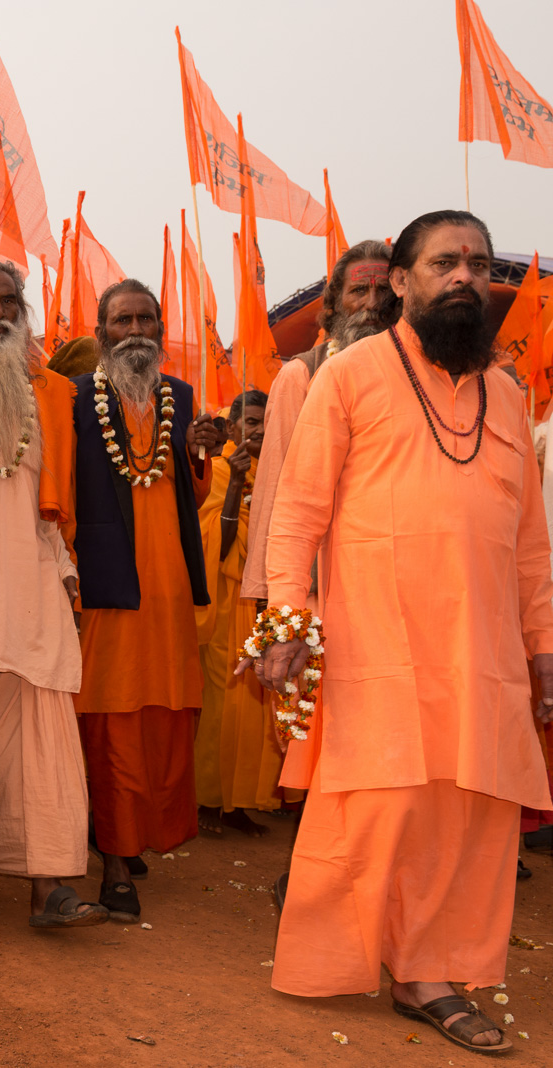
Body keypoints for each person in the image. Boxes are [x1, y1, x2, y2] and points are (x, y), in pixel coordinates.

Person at [254, 210, 553, 1053]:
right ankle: (359, 955)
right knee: (375, 812)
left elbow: (531, 543)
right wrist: (289, 622)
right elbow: (298, 513)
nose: (466, 276)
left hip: (483, 653)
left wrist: (543, 647)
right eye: (446, 262)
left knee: (467, 816)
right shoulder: (348, 376)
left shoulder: (506, 391)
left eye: (480, 264)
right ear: (402, 281)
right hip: (374, 643)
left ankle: (427, 973)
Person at [0, 259, 104, 927]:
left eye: (10, 302)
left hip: (35, 583)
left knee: (46, 733)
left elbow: (73, 498)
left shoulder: (59, 395)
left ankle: (51, 889)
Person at [70, 279, 224, 922]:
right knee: (109, 722)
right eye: (122, 320)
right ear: (101, 332)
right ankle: (111, 857)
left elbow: (189, 488)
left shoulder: (180, 398)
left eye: (146, 319)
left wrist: (198, 455)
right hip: (107, 588)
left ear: (160, 330)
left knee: (164, 715)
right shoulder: (76, 400)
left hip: (165, 593)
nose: (135, 330)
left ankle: (138, 836)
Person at [241, 241, 394, 604]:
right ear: (333, 305)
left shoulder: (423, 373)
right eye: (359, 290)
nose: (373, 304)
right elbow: (277, 485)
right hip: (325, 581)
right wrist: (272, 594)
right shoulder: (302, 374)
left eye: (383, 290)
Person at [194, 389, 275, 837]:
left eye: (265, 424)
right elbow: (216, 547)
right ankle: (209, 799)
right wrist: (239, 485)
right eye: (250, 422)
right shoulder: (221, 472)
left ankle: (239, 799)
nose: (258, 431)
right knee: (223, 704)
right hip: (228, 601)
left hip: (267, 604)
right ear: (233, 426)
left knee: (253, 708)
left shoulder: (283, 473)